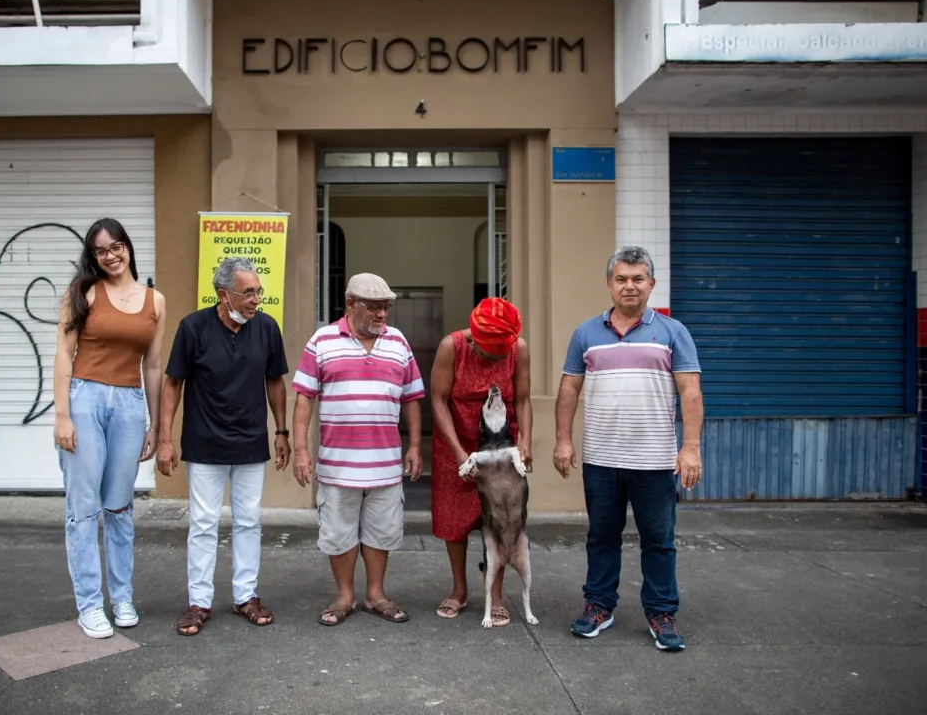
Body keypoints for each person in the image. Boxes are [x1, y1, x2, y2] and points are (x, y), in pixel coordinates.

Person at [553, 245, 704, 652]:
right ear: (609, 284)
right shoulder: (586, 333)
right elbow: (569, 388)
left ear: (651, 284)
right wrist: (564, 440)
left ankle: (661, 613)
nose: (629, 286)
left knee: (659, 538)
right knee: (602, 535)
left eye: (638, 279)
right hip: (601, 458)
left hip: (654, 461)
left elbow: (690, 392)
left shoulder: (673, 333)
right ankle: (599, 606)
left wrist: (690, 448)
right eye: (621, 279)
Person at [155, 256, 290, 636]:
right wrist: (165, 439)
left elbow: (275, 381)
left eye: (258, 292)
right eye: (247, 292)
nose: (255, 299)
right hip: (204, 442)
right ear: (223, 294)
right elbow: (173, 384)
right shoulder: (193, 327)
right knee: (202, 523)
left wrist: (282, 432)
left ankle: (246, 596)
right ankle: (199, 602)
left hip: (250, 441)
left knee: (249, 521)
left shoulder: (266, 328)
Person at [53, 217, 166, 639]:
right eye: (101, 250)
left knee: (119, 507)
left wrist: (155, 423)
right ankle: (89, 605)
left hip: (129, 405)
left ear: (128, 247)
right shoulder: (81, 293)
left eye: (117, 246)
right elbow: (64, 354)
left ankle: (122, 597)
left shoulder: (155, 301)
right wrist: (61, 414)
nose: (111, 255)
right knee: (82, 508)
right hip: (84, 398)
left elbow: (153, 365)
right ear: (94, 256)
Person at [291, 273, 424, 626]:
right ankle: (345, 596)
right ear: (351, 304)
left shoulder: (398, 342)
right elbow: (304, 398)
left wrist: (414, 446)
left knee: (382, 530)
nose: (383, 315)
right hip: (337, 464)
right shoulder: (322, 340)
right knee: (338, 531)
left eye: (387, 307)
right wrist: (300, 450)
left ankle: (375, 595)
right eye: (375, 307)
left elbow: (412, 398)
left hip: (384, 463)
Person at [428, 297, 531, 625]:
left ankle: (495, 593)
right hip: (455, 442)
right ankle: (459, 589)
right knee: (453, 521)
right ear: (474, 337)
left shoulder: (519, 349)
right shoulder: (452, 347)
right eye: (489, 350)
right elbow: (439, 400)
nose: (494, 356)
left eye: (500, 351)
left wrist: (526, 440)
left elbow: (524, 399)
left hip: (501, 447)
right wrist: (460, 452)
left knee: (501, 520)